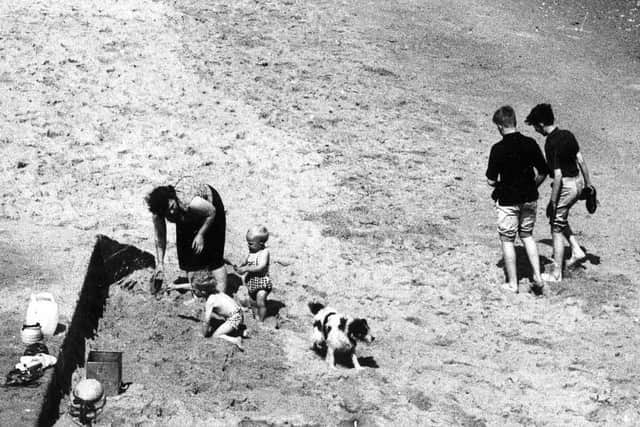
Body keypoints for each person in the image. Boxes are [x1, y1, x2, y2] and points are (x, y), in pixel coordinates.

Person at [525, 103, 594, 282]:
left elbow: (557, 176)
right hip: (578, 182)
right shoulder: (568, 134)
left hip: (566, 187)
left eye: (534, 126)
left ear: (540, 124)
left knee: (555, 226)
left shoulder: (551, 143)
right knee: (560, 220)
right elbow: (581, 161)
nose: (535, 129)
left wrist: (553, 202)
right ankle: (577, 251)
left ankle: (556, 274)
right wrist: (589, 185)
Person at [486, 106, 549, 293]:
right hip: (529, 197)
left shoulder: (497, 148)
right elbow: (543, 171)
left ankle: (513, 283)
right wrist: (532, 186)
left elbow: (490, 180)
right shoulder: (530, 143)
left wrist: (500, 186)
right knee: (527, 235)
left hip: (507, 199)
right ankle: (537, 276)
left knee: (507, 239)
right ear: (515, 121)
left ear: (499, 126)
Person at [145, 180, 227, 294]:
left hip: (210, 210)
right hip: (186, 215)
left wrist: (200, 235)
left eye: (172, 207)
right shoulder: (158, 213)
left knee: (214, 258)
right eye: (167, 213)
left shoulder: (190, 202)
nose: (172, 212)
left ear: (172, 197)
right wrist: (160, 263)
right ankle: (196, 294)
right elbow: (160, 238)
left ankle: (221, 294)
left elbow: (211, 212)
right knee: (188, 256)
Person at [235, 225, 272, 322]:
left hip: (262, 281)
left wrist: (247, 268)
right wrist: (241, 266)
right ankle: (256, 317)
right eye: (248, 243)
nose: (248, 246)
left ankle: (261, 321)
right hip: (251, 281)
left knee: (261, 301)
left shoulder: (264, 252)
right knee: (253, 302)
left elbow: (261, 267)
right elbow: (246, 261)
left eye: (251, 244)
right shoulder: (252, 251)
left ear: (261, 243)